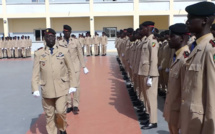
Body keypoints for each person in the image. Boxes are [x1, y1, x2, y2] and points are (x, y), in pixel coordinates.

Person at [31, 28, 77, 134]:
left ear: (55, 38)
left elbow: (71, 69)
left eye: (52, 36)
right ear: (45, 38)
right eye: (48, 37)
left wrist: (73, 84)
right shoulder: (39, 53)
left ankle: (61, 128)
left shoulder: (63, 51)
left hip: (61, 88)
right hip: (47, 89)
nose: (50, 38)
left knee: (60, 111)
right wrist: (34, 88)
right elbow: (35, 73)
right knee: (49, 115)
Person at [180, 2, 215, 134]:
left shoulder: (210, 49)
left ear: (204, 21)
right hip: (189, 118)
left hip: (199, 122)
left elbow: (213, 94)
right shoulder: (194, 47)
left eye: (190, 18)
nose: (187, 22)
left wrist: (209, 129)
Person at [163, 23, 190, 134]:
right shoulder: (177, 56)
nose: (169, 38)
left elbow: (187, 91)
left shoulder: (185, 59)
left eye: (172, 36)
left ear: (182, 38)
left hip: (179, 111)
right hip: (173, 108)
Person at [58, 25, 89, 114]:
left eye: (67, 32)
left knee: (76, 86)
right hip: (64, 68)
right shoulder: (59, 43)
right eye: (64, 32)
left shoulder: (76, 42)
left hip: (75, 67)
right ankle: (68, 105)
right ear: (63, 32)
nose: (66, 33)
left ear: (70, 32)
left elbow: (80, 54)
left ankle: (75, 105)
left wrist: (84, 66)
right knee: (66, 86)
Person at [138, 21, 159, 129]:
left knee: (151, 99)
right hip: (144, 72)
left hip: (149, 74)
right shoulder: (146, 41)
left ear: (148, 28)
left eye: (142, 29)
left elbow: (153, 59)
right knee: (146, 97)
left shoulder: (153, 42)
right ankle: (149, 118)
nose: (141, 31)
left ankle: (153, 121)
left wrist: (151, 75)